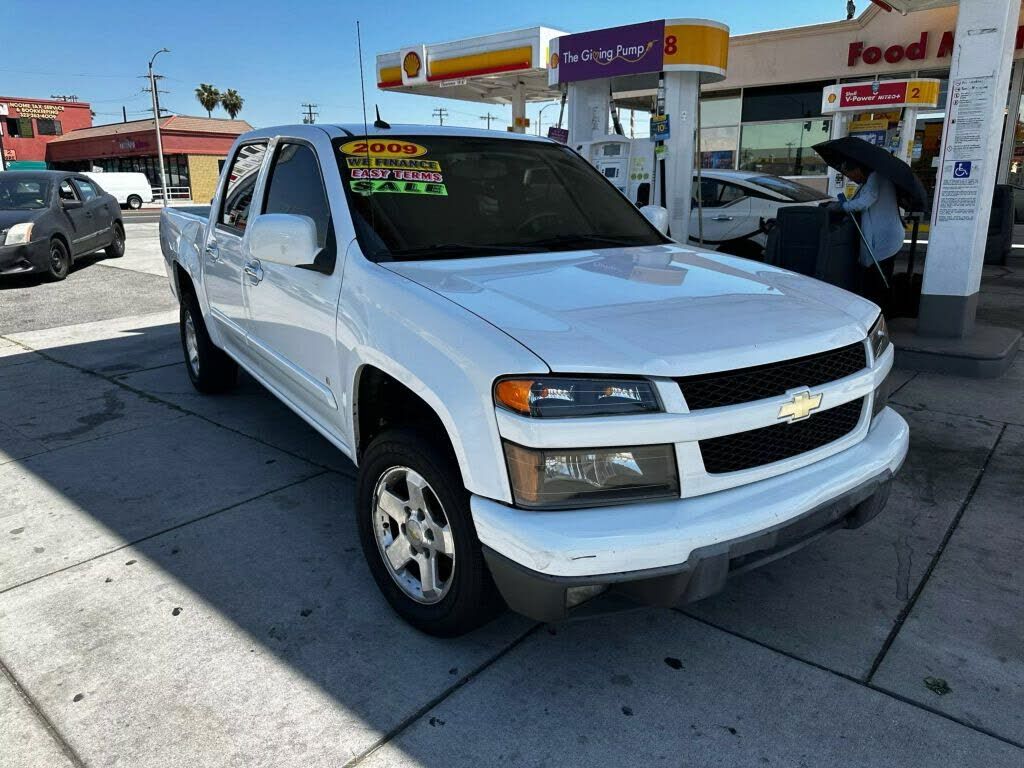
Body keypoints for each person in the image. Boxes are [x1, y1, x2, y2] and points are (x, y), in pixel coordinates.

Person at [830, 161, 904, 310]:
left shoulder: (876, 178)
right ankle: (877, 310)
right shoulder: (870, 180)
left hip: (885, 238)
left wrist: (841, 207)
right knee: (874, 277)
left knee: (878, 279)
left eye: (848, 174)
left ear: (857, 169)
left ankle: (880, 312)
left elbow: (864, 202)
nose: (850, 179)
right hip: (882, 237)